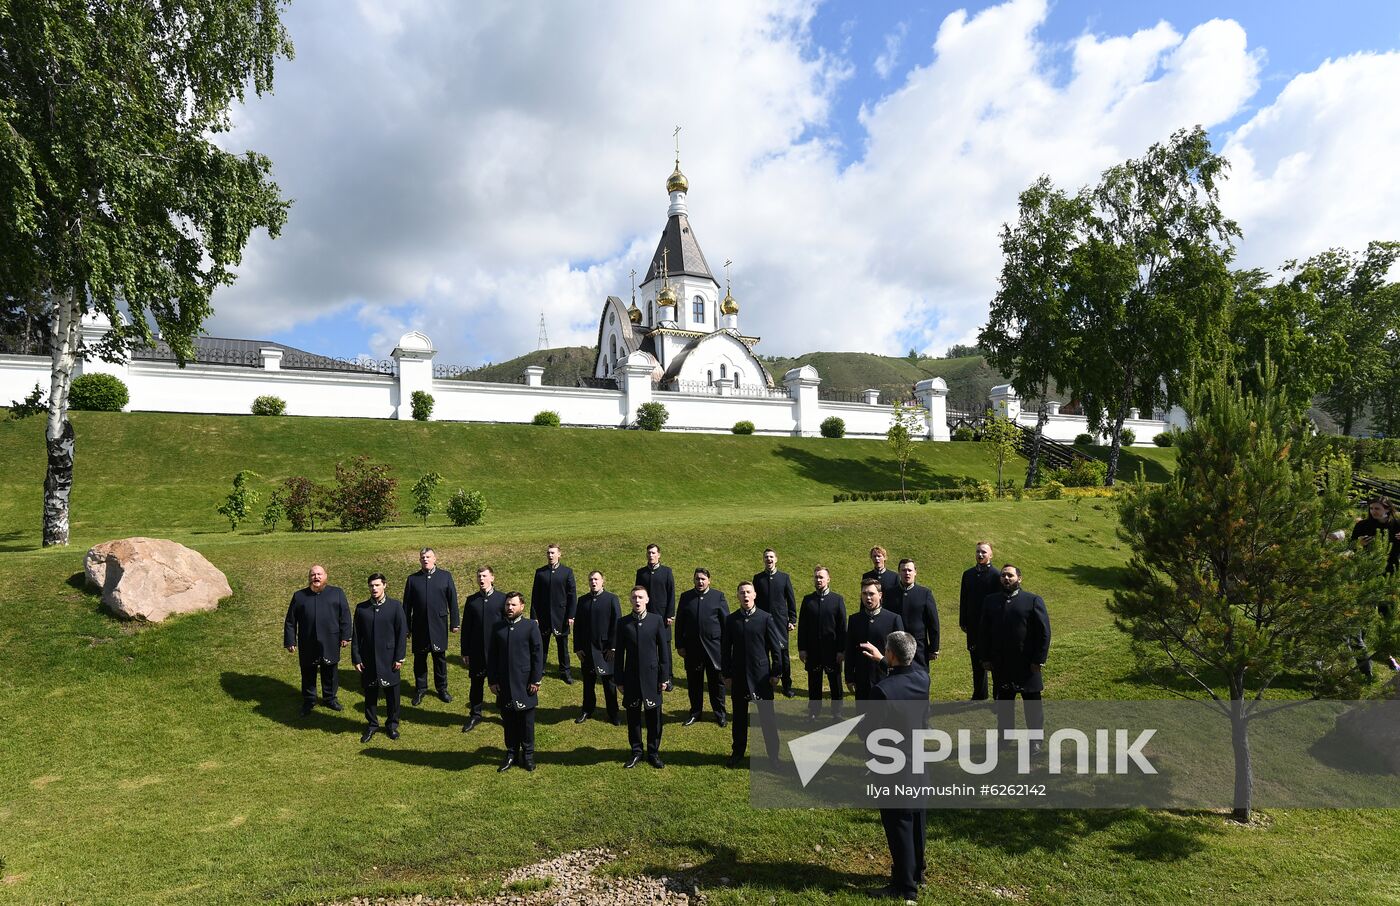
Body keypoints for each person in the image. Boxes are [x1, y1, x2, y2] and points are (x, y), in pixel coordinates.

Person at [860, 631, 929, 904]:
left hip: (894, 767)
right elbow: (905, 672)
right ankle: (918, 874)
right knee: (916, 820)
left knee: (898, 824)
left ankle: (905, 886)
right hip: (919, 761)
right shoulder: (923, 679)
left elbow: (869, 731)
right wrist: (883, 661)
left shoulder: (882, 691)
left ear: (891, 655)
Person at [979, 564, 1051, 754]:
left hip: (1028, 666)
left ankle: (1035, 741)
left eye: (1010, 575)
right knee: (1004, 706)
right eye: (1003, 575)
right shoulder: (990, 601)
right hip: (1001, 665)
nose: (1006, 578)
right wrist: (985, 657)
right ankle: (1005, 738)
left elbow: (1044, 633)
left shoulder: (1033, 600)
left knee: (1032, 706)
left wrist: (1039, 659)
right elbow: (984, 632)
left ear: (1019, 578)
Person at [722, 580, 784, 768]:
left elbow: (776, 649)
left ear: (755, 595)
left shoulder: (766, 618)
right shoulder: (731, 620)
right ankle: (737, 753)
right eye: (742, 593)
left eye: (748, 592)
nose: (745, 596)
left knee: (767, 720)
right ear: (738, 596)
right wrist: (726, 675)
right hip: (739, 677)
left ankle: (773, 756)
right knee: (739, 719)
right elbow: (725, 650)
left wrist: (776, 672)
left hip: (761, 678)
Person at [614, 585, 673, 768]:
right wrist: (619, 680)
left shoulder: (656, 621)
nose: (637, 600)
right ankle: (636, 751)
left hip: (652, 679)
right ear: (630, 601)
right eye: (634, 598)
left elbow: (664, 652)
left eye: (640, 597)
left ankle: (653, 752)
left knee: (654, 718)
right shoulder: (623, 623)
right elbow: (619, 655)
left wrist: (664, 678)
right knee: (633, 718)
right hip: (631, 679)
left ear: (647, 600)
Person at [283, 564, 352, 716]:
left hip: (331, 640)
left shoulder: (337, 593)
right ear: (309, 578)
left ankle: (330, 698)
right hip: (307, 641)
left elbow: (345, 616)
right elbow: (290, 621)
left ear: (326, 576)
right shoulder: (299, 596)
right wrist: (290, 641)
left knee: (330, 671)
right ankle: (309, 700)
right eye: (313, 575)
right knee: (308, 671)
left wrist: (346, 636)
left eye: (319, 574)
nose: (316, 577)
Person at [488, 591, 544, 772]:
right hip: (504, 684)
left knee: (526, 723)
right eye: (507, 605)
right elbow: (493, 657)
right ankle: (511, 753)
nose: (509, 608)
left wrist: (536, 680)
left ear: (522, 607)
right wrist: (493, 681)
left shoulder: (530, 626)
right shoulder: (498, 627)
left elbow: (537, 655)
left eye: (513, 605)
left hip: (526, 684)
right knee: (509, 721)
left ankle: (528, 755)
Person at [351, 573, 407, 743]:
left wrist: (399, 657)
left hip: (389, 659)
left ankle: (391, 725)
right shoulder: (361, 608)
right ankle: (372, 725)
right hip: (368, 660)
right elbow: (356, 636)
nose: (374, 589)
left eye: (377, 585)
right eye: (371, 586)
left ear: (384, 585)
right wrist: (356, 658)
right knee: (370, 694)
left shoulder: (395, 606)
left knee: (392, 696)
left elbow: (401, 634)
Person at [403, 547, 460, 706]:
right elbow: (406, 606)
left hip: (439, 625)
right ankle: (420, 689)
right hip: (420, 626)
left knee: (439, 658)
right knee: (420, 659)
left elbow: (453, 601)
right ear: (419, 560)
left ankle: (442, 688)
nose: (425, 559)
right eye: (422, 557)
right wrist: (406, 627)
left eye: (428, 557)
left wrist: (454, 622)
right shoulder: (413, 579)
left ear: (435, 559)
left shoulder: (445, 576)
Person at [1350, 498, 1400, 676]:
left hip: (1390, 575)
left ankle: (1388, 654)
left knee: (1387, 615)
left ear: (1387, 509)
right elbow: (1350, 547)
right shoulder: (1363, 526)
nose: (1373, 511)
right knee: (1363, 614)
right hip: (1367, 574)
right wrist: (1359, 544)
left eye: (1377, 508)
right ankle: (1360, 651)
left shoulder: (1397, 526)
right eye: (1371, 508)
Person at [675, 567, 730, 726]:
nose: (700, 582)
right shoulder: (686, 597)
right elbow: (679, 623)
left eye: (703, 579)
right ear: (694, 580)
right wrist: (680, 644)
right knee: (694, 683)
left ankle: (720, 714)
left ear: (709, 580)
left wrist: (726, 647)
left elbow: (725, 623)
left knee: (716, 684)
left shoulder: (718, 596)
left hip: (715, 649)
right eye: (697, 579)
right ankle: (695, 713)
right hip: (692, 650)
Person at [797, 566, 847, 718]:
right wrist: (802, 648)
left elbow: (842, 628)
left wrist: (841, 650)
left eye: (821, 577)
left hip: (832, 651)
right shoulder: (808, 600)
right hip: (813, 651)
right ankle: (814, 711)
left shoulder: (837, 600)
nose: (818, 580)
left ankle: (837, 712)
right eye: (816, 577)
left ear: (828, 579)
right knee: (814, 682)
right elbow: (802, 627)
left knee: (835, 682)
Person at [460, 566, 506, 732]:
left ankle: (504, 713)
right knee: (476, 684)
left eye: (485, 576)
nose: (481, 579)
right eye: (479, 576)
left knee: (500, 684)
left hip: (497, 652)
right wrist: (465, 651)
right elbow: (466, 628)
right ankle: (475, 714)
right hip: (477, 652)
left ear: (492, 578)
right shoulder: (472, 600)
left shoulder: (502, 599)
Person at [574, 570, 621, 725]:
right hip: (587, 650)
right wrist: (578, 647)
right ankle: (587, 709)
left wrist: (613, 647)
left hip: (605, 650)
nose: (593, 582)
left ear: (603, 581)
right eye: (591, 580)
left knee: (609, 684)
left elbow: (616, 624)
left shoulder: (611, 599)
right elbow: (578, 626)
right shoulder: (582, 600)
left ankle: (613, 713)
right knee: (588, 683)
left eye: (596, 579)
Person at [845, 578, 904, 701]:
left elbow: (900, 653)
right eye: (864, 594)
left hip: (886, 680)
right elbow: (850, 650)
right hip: (862, 681)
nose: (868, 598)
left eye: (871, 594)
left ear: (880, 595)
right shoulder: (854, 620)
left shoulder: (893, 619)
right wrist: (849, 677)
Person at [752, 548, 797, 697]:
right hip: (762, 623)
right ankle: (765, 684)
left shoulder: (784, 577)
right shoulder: (757, 578)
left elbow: (791, 600)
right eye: (766, 557)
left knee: (783, 656)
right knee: (764, 655)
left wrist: (792, 619)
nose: (769, 559)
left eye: (771, 557)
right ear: (763, 560)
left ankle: (787, 686)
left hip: (780, 623)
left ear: (776, 559)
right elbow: (754, 601)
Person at [959, 541, 1001, 700]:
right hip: (973, 625)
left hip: (991, 626)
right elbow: (964, 599)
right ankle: (980, 693)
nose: (980, 555)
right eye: (978, 552)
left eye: (984, 552)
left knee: (994, 661)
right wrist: (963, 620)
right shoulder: (968, 574)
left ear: (991, 554)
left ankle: (998, 696)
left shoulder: (997, 575)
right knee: (976, 661)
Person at [531, 543, 577, 683]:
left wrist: (571, 615)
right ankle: (540, 670)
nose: (550, 555)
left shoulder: (567, 572)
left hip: (561, 617)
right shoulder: (540, 572)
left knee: (562, 646)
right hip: (543, 617)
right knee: (541, 645)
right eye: (548, 553)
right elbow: (535, 596)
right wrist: (534, 616)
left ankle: (565, 671)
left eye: (553, 553)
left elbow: (572, 595)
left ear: (559, 554)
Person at [886, 558, 939, 670]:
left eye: (910, 570)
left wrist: (934, 648)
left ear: (915, 572)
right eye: (904, 570)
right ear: (899, 572)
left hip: (919, 649)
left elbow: (933, 622)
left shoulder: (925, 593)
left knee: (919, 681)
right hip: (896, 647)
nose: (907, 573)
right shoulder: (890, 594)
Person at [635, 543, 676, 637]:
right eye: (649, 553)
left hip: (662, 614)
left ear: (659, 555)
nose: (651, 555)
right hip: (646, 612)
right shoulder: (641, 573)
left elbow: (671, 592)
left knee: (664, 641)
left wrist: (670, 614)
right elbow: (637, 593)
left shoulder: (667, 572)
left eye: (653, 553)